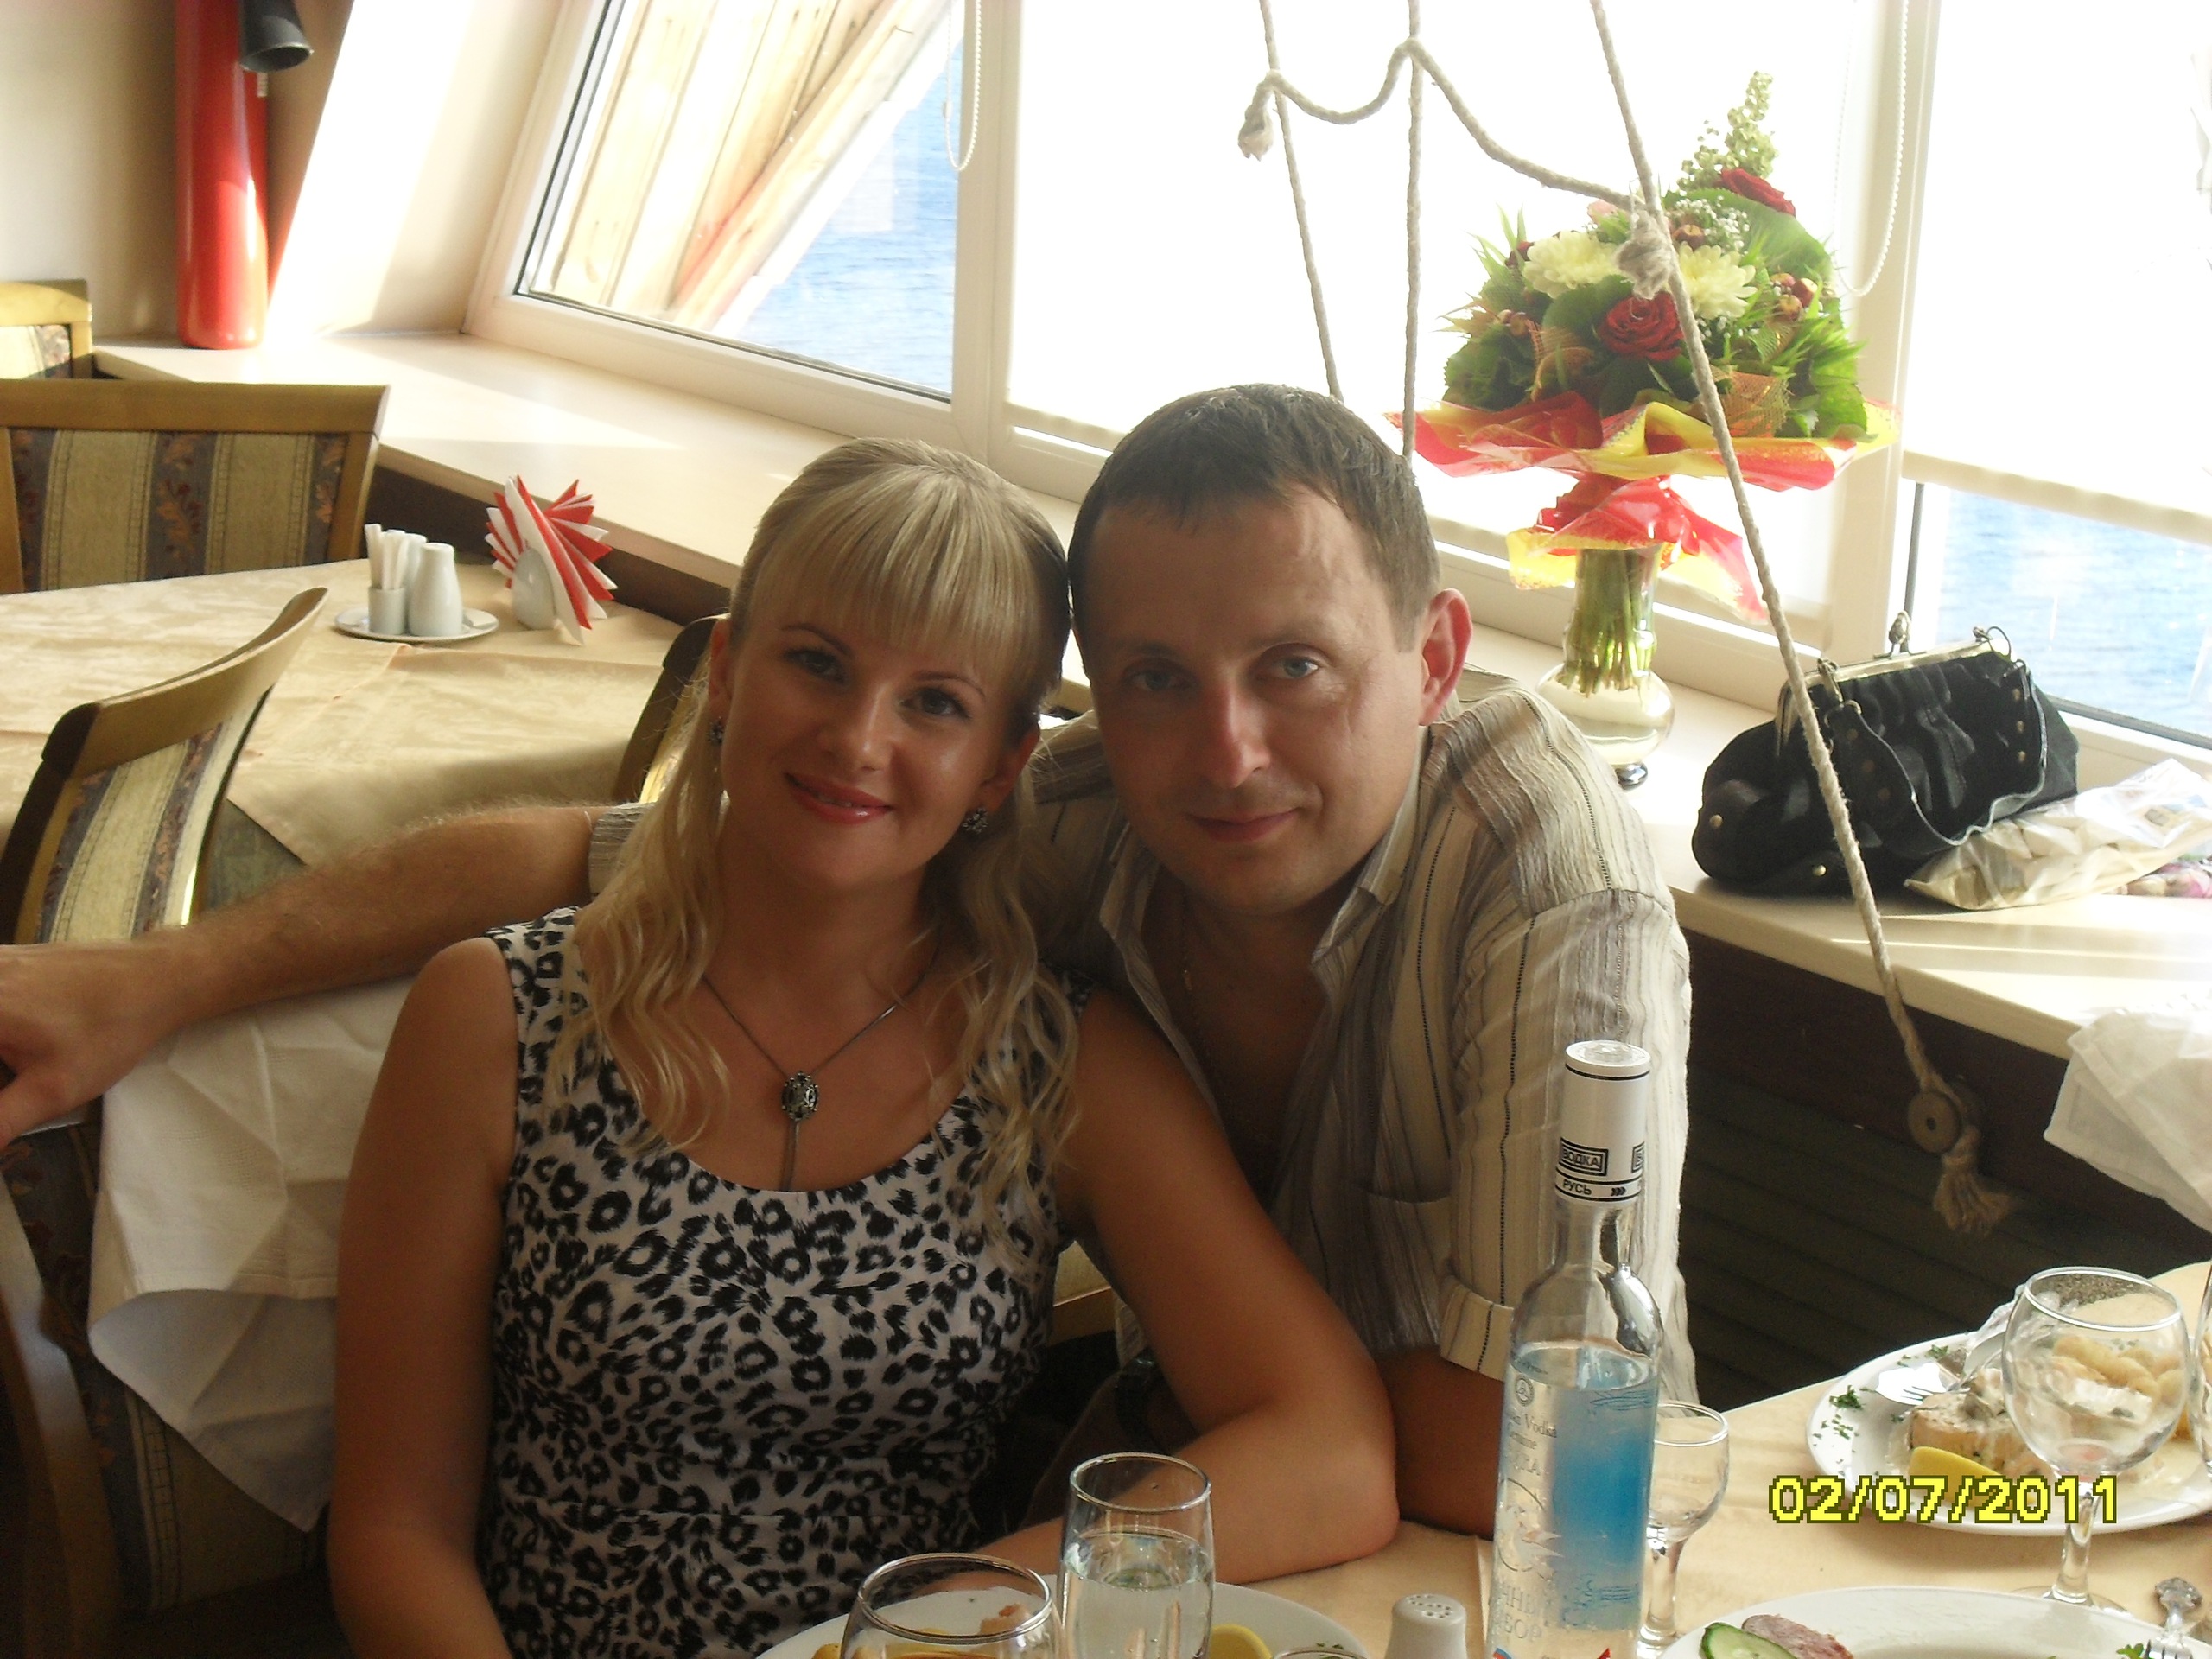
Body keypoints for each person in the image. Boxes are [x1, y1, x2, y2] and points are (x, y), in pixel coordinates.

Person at [0, 385, 1690, 1537]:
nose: (1225, 751)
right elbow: (604, 854)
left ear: (1435, 658)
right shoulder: (1072, 816)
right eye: (1157, 678)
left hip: (1544, 1555)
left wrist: (983, 1595)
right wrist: (156, 978)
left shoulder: (1546, 896)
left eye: (1295, 669)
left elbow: (1512, 1463)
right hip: (1190, 1515)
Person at [327, 438, 1395, 1659]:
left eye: (934, 703)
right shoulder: (496, 1016)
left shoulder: (1057, 1058)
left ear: (1002, 766)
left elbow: (1334, 1451)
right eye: (818, 664)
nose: (856, 738)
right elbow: (394, 1533)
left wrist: (938, 1622)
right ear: (725, 672)